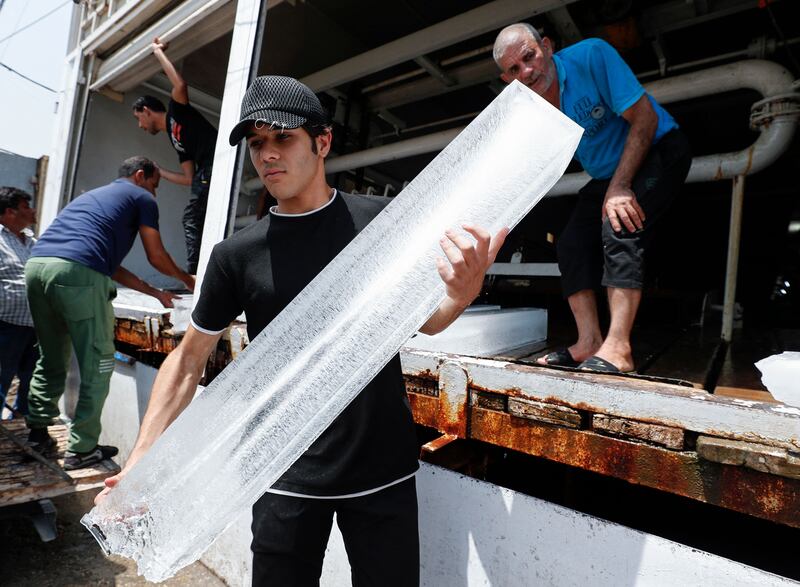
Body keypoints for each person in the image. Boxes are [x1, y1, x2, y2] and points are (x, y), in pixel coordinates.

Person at [97, 75, 508, 586]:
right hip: (281, 469)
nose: (267, 154)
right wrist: (139, 463)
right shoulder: (237, 256)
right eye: (256, 143)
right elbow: (186, 362)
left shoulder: (380, 224)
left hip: (381, 469)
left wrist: (461, 293)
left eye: (283, 137)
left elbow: (428, 320)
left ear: (323, 141)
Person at [493, 23, 691, 373]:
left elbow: (643, 117)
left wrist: (620, 186)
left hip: (657, 148)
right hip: (606, 175)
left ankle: (619, 348)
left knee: (618, 224)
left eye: (529, 57)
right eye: (513, 69)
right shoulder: (529, 108)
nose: (526, 71)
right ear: (507, 80)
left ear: (547, 47)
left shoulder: (591, 55)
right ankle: (589, 342)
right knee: (570, 242)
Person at [25, 157, 195, 471]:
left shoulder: (96, 199)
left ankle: (37, 432)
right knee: (99, 362)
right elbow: (156, 256)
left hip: (38, 268)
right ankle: (82, 449)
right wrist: (188, 280)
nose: (155, 194)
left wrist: (156, 293)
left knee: (50, 355)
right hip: (76, 274)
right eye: (156, 185)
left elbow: (106, 265)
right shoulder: (141, 197)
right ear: (142, 176)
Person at [132, 37, 219, 274]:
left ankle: (196, 273)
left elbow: (180, 86)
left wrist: (157, 52)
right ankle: (205, 269)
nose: (140, 125)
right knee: (197, 218)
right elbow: (190, 178)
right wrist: (160, 172)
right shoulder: (174, 138)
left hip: (216, 161)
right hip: (205, 172)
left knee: (192, 217)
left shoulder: (176, 112)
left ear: (146, 111)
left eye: (138, 118)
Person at [0, 187, 38, 418]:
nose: (32, 211)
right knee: (1, 378)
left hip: (36, 325)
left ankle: (23, 424)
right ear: (9, 212)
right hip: (6, 325)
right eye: (25, 207)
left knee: (31, 379)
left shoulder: (34, 241)